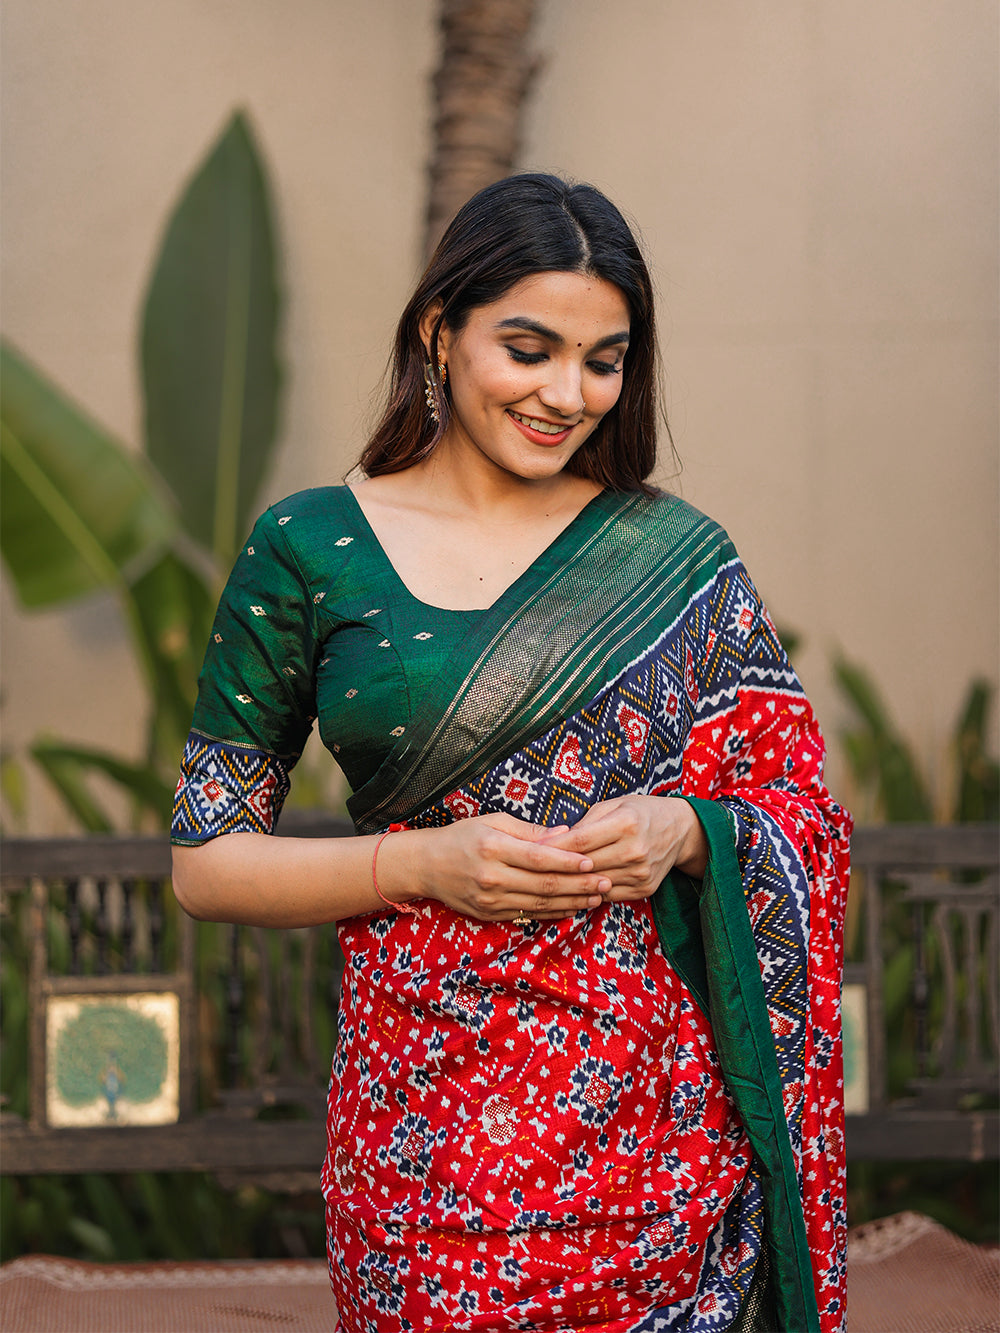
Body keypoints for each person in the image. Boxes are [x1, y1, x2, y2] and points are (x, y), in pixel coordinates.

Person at [171, 173, 852, 1333]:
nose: (566, 394)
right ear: (440, 331)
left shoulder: (673, 555)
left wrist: (685, 829)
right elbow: (206, 861)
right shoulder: (311, 548)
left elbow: (793, 805)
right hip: (421, 1140)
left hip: (658, 1134)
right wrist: (420, 866)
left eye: (604, 359)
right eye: (527, 348)